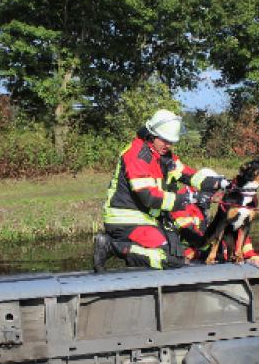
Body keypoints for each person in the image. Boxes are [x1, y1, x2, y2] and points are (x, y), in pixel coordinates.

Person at [94, 109, 226, 271]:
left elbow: (189, 175)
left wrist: (222, 183)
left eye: (171, 141)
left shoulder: (163, 155)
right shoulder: (137, 155)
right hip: (126, 220)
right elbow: (149, 197)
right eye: (164, 140)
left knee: (177, 253)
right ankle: (112, 246)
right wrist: (191, 198)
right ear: (152, 135)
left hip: (147, 220)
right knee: (171, 260)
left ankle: (130, 253)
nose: (168, 145)